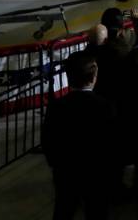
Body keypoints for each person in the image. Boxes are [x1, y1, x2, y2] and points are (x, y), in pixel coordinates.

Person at [42, 52, 115, 220]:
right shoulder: (104, 106)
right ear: (94, 77)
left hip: (66, 172)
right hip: (97, 173)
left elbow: (48, 142)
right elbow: (112, 142)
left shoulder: (57, 107)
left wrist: (57, 164)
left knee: (64, 210)